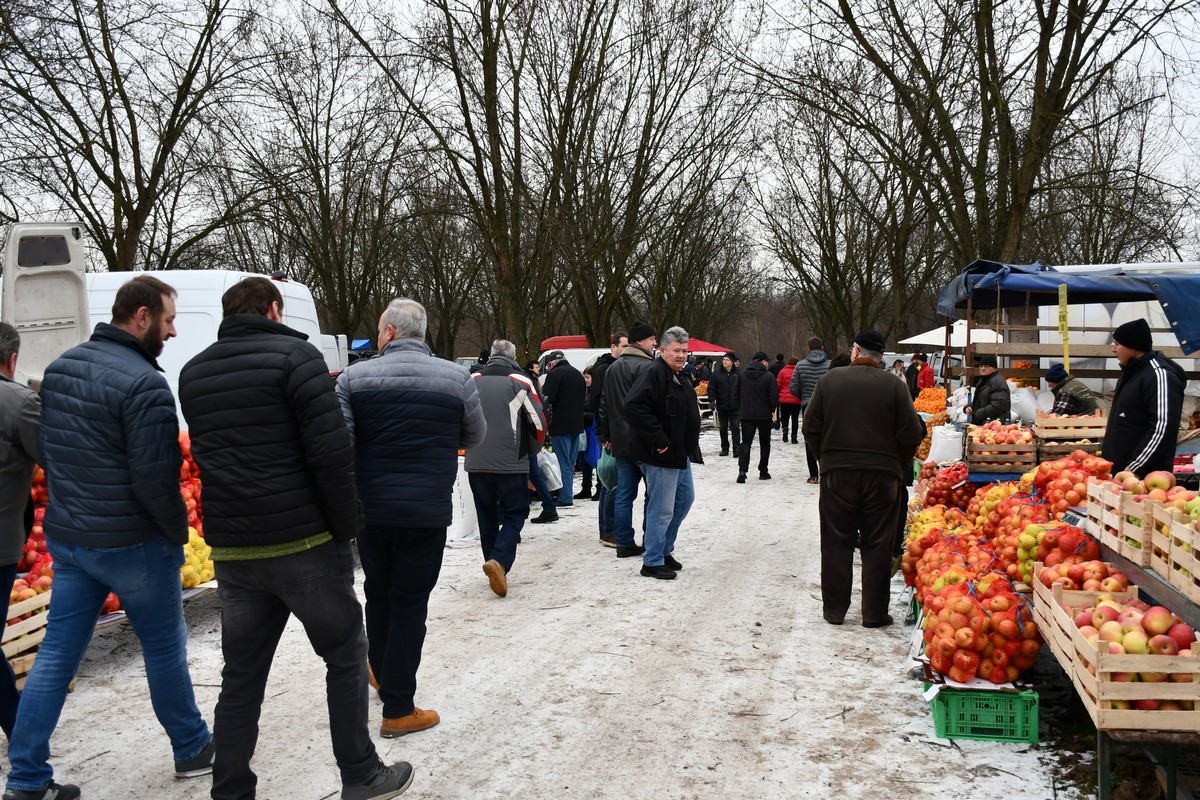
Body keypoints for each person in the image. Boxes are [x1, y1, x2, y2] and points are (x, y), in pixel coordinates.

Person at [178, 277, 412, 800]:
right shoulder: (296, 359)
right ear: (274, 310)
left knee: (242, 674)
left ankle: (230, 789)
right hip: (302, 544)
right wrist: (346, 530)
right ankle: (360, 773)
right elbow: (331, 454)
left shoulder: (193, 372)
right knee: (345, 654)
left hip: (235, 550)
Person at [9, 276, 212, 800]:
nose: (173, 331)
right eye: (168, 320)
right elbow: (156, 479)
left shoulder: (60, 369)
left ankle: (26, 778)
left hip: (71, 540)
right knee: (164, 648)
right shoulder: (145, 385)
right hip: (133, 543)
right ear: (142, 316)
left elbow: (52, 454)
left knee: (57, 653)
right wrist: (176, 535)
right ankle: (191, 747)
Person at [336, 298, 486, 739]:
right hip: (425, 510)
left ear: (389, 332)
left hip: (372, 508)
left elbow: (341, 441)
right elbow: (475, 435)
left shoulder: (352, 378)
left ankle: (382, 672)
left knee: (379, 593)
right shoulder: (456, 377)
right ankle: (399, 707)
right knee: (409, 603)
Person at [802, 330, 925, 629]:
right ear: (881, 356)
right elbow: (912, 433)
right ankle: (873, 613)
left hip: (837, 475)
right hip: (882, 477)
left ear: (855, 351)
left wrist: (825, 458)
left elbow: (810, 426)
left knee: (835, 541)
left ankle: (834, 610)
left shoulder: (829, 381)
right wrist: (896, 462)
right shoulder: (894, 386)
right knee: (878, 543)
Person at [466, 339, 546, 597]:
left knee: (486, 515)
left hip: (477, 460)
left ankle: (493, 562)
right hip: (511, 462)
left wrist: (466, 447)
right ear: (513, 357)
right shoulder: (520, 381)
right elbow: (538, 423)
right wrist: (532, 451)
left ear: (491, 355)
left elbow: (460, 416)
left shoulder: (471, 380)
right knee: (516, 512)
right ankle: (499, 560)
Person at [624, 327, 702, 580]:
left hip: (680, 453)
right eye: (676, 350)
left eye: (684, 351)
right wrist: (659, 438)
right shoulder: (654, 373)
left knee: (684, 500)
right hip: (660, 454)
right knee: (661, 508)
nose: (681, 355)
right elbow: (633, 407)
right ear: (662, 350)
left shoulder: (679, 374)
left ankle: (664, 549)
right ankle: (652, 560)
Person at [0, 323, 40, 741]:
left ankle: (20, 731)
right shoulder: (19, 402)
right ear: (12, 360)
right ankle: (21, 731)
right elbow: (56, 458)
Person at [598, 320, 657, 559]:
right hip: (644, 441)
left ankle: (623, 542)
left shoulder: (613, 368)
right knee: (653, 494)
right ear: (640, 341)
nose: (655, 343)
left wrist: (606, 435)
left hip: (621, 442)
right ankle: (650, 540)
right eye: (652, 339)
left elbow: (604, 405)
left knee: (623, 494)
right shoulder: (648, 367)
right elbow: (652, 406)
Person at [1102, 318, 1187, 477]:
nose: (1113, 349)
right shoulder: (1130, 373)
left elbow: (1162, 428)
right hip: (1119, 475)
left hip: (1143, 477)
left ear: (1132, 347)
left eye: (1117, 344)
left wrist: (1134, 468)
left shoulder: (1159, 375)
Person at [589, 333, 626, 546]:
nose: (627, 349)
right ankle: (608, 531)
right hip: (608, 434)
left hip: (609, 431)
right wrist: (607, 434)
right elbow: (598, 402)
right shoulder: (605, 369)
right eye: (624, 346)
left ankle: (606, 530)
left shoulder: (610, 366)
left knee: (607, 483)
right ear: (613, 346)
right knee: (611, 482)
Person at [540, 351, 586, 508]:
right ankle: (567, 493)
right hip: (577, 425)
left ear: (551, 363)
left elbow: (547, 398)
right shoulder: (578, 374)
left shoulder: (554, 375)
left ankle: (565, 497)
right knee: (570, 462)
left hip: (560, 425)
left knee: (562, 462)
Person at [790, 337, 830, 485]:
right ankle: (826, 470)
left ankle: (813, 475)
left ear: (808, 348)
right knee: (827, 437)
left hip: (808, 405)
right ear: (822, 347)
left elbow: (793, 387)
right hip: (827, 404)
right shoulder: (830, 365)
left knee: (810, 437)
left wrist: (803, 397)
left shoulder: (800, 365)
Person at [735, 351, 779, 483]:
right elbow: (773, 397)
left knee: (746, 442)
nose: (768, 364)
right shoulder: (768, 376)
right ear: (762, 361)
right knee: (765, 443)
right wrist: (771, 409)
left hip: (746, 414)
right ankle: (763, 471)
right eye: (767, 361)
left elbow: (735, 394)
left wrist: (740, 409)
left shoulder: (742, 375)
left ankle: (742, 471)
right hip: (764, 415)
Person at [708, 353, 741, 457]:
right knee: (723, 428)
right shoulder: (716, 374)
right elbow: (711, 388)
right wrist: (711, 400)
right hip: (722, 406)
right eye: (723, 359)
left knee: (735, 427)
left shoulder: (739, 373)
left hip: (735, 406)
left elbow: (743, 388)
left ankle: (737, 448)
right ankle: (724, 448)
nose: (724, 361)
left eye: (727, 360)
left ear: (732, 362)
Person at [965, 355, 1010, 424]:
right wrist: (970, 407)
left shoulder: (997, 382)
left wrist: (978, 412)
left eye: (986, 366)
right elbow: (981, 400)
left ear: (994, 368)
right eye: (981, 366)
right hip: (984, 422)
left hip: (994, 423)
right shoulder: (983, 380)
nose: (983, 368)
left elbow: (998, 405)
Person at [776, 357, 802, 444]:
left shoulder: (782, 371)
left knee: (785, 417)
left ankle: (785, 430)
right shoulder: (799, 372)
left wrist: (778, 394)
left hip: (784, 399)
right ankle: (794, 437)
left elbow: (778, 385)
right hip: (796, 399)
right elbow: (801, 385)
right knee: (795, 419)